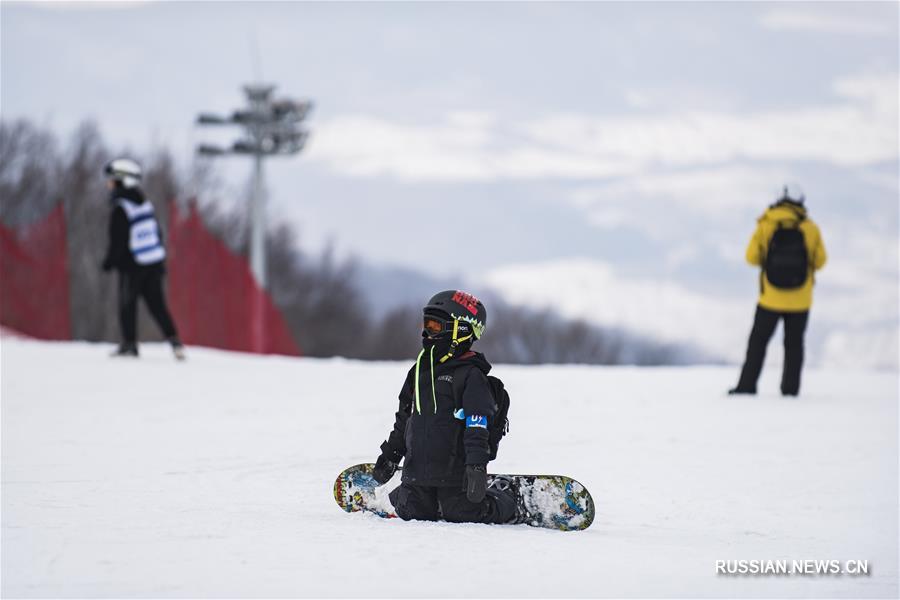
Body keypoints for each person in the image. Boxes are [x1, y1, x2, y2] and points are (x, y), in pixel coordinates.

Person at [371, 290, 521, 524]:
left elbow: (477, 426)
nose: (426, 332)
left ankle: (507, 497)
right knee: (412, 512)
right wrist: (390, 456)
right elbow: (403, 420)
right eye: (426, 325)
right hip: (416, 474)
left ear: (460, 331)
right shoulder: (418, 372)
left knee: (462, 514)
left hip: (455, 475)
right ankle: (391, 497)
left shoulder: (471, 376)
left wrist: (476, 467)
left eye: (435, 327)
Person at [729, 184, 826, 396]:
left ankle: (746, 386)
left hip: (770, 298)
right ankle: (790, 390)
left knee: (758, 343)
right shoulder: (810, 227)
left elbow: (751, 257)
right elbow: (820, 261)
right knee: (794, 346)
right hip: (801, 299)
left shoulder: (767, 224)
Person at [101, 158, 185, 360]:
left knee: (127, 303)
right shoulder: (144, 204)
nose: (108, 184)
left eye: (112, 180)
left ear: (123, 181)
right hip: (154, 262)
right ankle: (175, 342)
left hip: (132, 265)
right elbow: (157, 233)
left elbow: (118, 240)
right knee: (157, 305)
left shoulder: (121, 207)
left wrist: (109, 262)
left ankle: (130, 344)